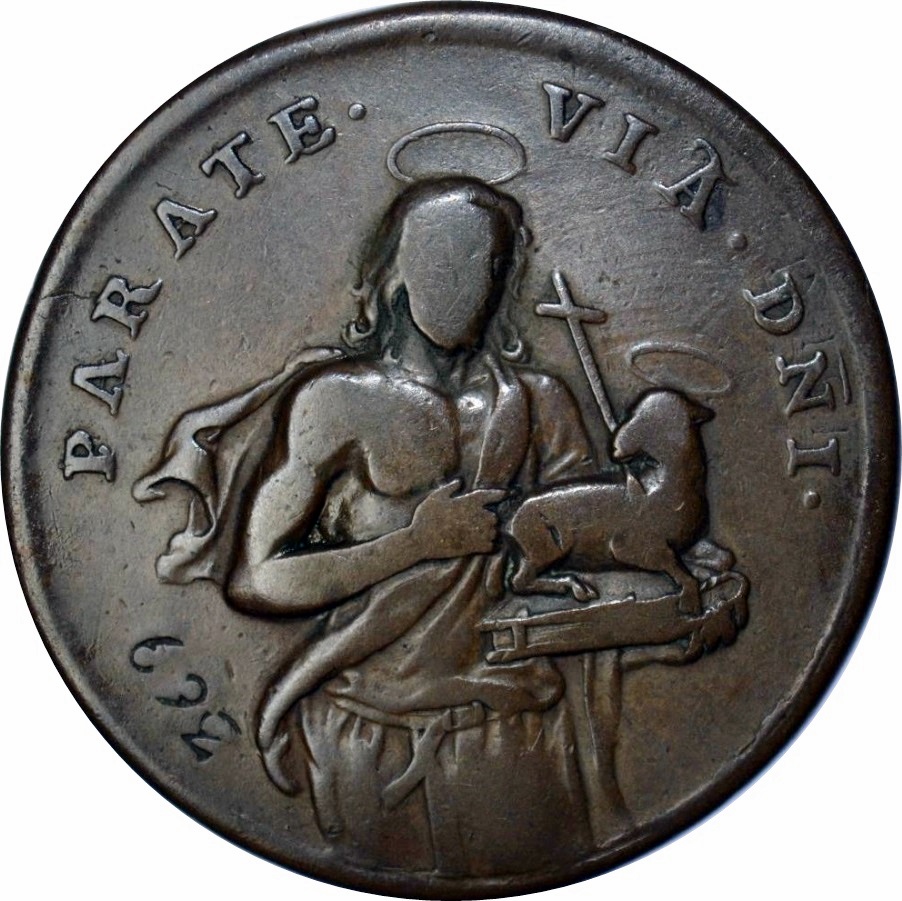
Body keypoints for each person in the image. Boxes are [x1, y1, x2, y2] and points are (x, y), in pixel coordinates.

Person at [135, 177, 633, 876]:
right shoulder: (335, 403)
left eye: (489, 263)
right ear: (398, 270)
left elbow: (589, 558)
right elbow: (257, 579)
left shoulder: (541, 405)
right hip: (365, 733)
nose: (474, 282)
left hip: (514, 729)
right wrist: (415, 544)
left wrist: (664, 563)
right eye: (447, 257)